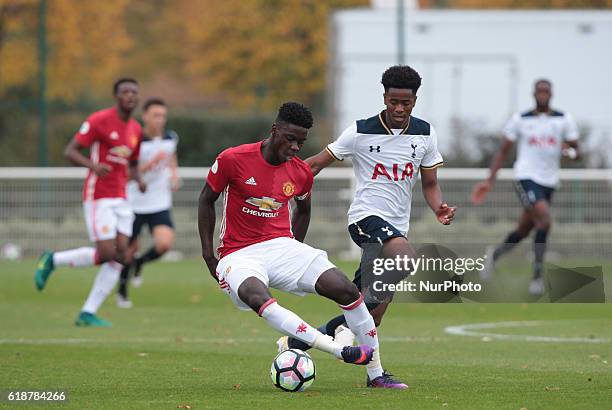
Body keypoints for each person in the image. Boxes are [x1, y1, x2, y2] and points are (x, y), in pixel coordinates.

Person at [198, 102, 407, 389]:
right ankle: (338, 350)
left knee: (346, 289)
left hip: (282, 246)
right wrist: (209, 256)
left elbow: (304, 210)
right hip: (238, 253)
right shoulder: (234, 159)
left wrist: (294, 248)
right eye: (291, 139)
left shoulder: (300, 172)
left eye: (302, 142)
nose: (296, 147)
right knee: (257, 297)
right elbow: (206, 200)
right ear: (275, 130)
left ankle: (376, 374)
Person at [283, 65, 455, 363]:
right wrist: (281, 182)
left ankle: (298, 342)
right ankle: (373, 368)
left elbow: (430, 183)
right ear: (384, 97)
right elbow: (315, 163)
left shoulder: (425, 134)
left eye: (406, 103)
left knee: (371, 318)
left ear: (415, 100)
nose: (399, 108)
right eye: (393, 101)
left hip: (396, 228)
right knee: (405, 259)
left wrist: (438, 207)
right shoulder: (361, 131)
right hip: (365, 219)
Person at [34, 78, 146, 327]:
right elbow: (70, 151)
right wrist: (93, 166)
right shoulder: (99, 120)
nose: (130, 96)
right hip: (99, 196)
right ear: (116, 96)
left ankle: (87, 312)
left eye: (134, 93)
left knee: (122, 256)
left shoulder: (136, 129)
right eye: (125, 92)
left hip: (122, 198)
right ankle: (53, 260)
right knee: (107, 253)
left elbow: (134, 161)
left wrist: (138, 180)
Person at [472, 79, 579, 295]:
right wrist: (489, 179)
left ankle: (494, 255)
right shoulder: (520, 119)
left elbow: (577, 151)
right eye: (539, 91)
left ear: (551, 94)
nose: (542, 94)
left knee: (524, 230)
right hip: (526, 177)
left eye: (545, 91)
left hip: (549, 181)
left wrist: (570, 152)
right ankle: (537, 278)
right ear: (533, 94)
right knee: (545, 221)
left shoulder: (563, 119)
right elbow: (503, 151)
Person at [117, 98, 180, 308]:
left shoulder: (171, 137)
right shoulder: (135, 140)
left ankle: (139, 263)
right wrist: (148, 165)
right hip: (134, 203)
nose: (159, 120)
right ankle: (122, 292)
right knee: (127, 250)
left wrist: (174, 175)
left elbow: (171, 157)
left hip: (159, 201)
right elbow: (124, 173)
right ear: (144, 116)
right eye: (155, 115)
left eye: (163, 115)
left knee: (164, 244)